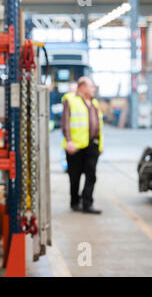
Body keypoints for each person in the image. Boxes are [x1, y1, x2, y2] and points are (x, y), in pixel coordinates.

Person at [61, 77, 104, 214]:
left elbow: (99, 125)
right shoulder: (71, 101)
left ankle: (87, 203)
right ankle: (75, 202)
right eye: (91, 87)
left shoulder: (94, 103)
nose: (94, 89)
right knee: (75, 177)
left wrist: (100, 145)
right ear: (82, 88)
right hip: (76, 146)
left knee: (91, 176)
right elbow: (65, 122)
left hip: (92, 145)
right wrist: (69, 141)